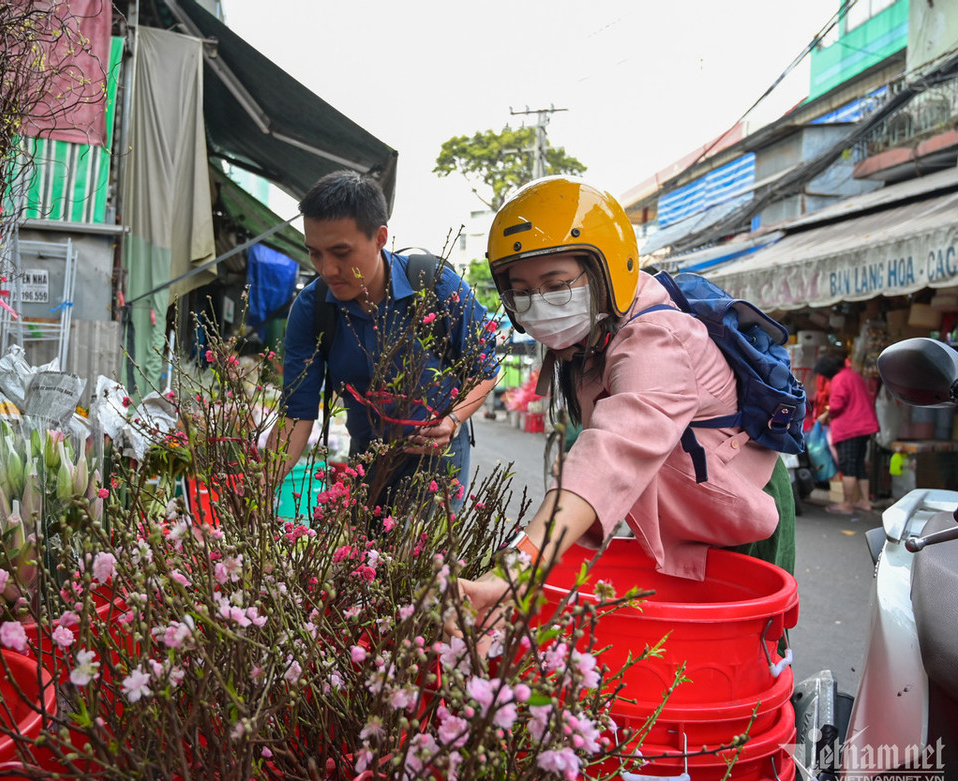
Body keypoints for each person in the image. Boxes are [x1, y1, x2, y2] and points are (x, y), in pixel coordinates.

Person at [461, 177, 796, 618]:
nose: (538, 304)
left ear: (607, 270)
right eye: (521, 292)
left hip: (739, 513)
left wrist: (522, 561)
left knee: (749, 658)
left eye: (556, 284)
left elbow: (613, 451)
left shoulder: (658, 339)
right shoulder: (590, 340)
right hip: (689, 519)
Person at [271, 170, 499, 507]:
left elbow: (485, 368)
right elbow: (297, 412)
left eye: (341, 253)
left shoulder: (437, 287)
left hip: (436, 454)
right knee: (364, 556)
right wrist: (260, 484)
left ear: (380, 238)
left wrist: (452, 421)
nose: (327, 269)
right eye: (315, 253)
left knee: (423, 556)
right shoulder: (312, 308)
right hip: (367, 454)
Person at [813, 353, 879, 514]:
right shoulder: (853, 376)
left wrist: (825, 416)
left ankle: (847, 503)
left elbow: (836, 405)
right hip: (864, 426)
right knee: (859, 465)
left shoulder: (839, 379)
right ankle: (865, 501)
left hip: (850, 427)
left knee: (848, 465)